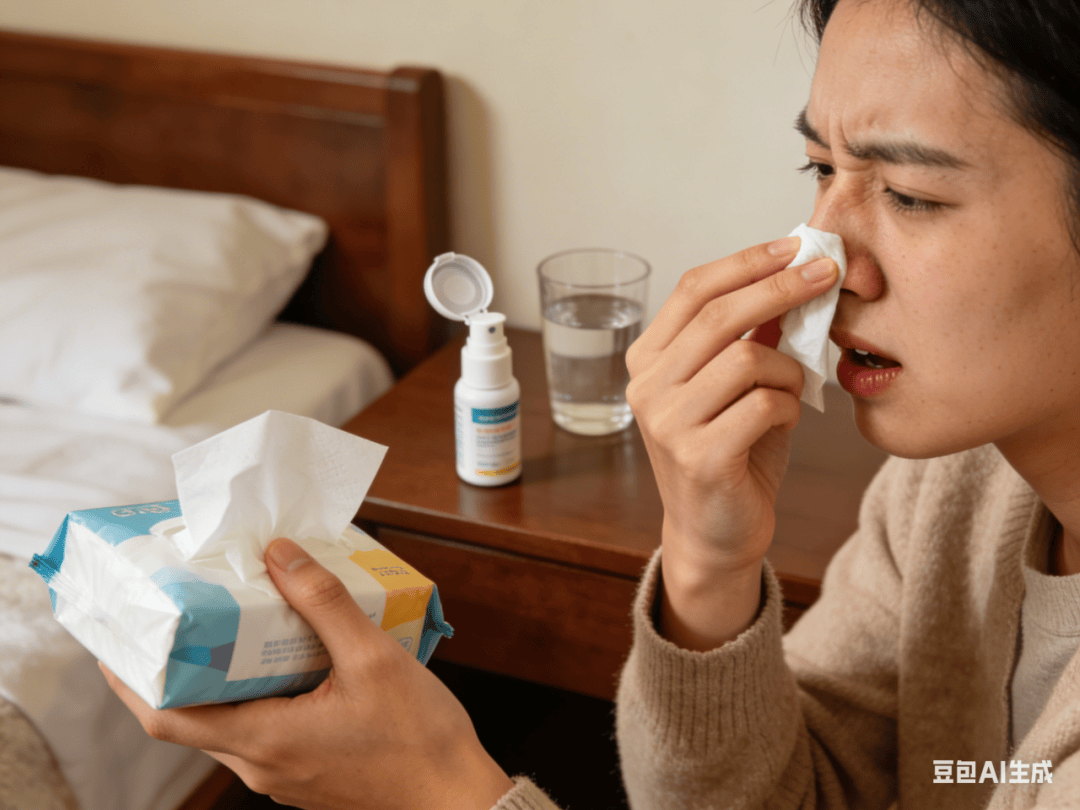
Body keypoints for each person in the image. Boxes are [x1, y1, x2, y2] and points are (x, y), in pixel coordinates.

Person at [103, 0, 1080, 806]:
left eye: (909, 195)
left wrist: (439, 791)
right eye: (821, 170)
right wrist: (706, 565)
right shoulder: (953, 488)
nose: (821, 262)